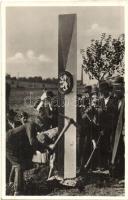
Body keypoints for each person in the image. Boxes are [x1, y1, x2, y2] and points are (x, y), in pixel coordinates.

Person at [6, 120, 50, 195]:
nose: (41, 129)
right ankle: (18, 192)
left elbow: (34, 142)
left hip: (12, 144)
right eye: (41, 127)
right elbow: (32, 142)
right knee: (19, 166)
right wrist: (45, 147)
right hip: (9, 143)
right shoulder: (30, 125)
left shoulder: (32, 128)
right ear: (38, 123)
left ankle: (11, 184)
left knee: (16, 164)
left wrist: (46, 148)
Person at [98, 81, 118, 170]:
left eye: (103, 90)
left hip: (111, 128)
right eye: (101, 90)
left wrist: (107, 127)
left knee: (110, 146)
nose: (102, 92)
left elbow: (114, 115)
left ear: (107, 90)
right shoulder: (101, 101)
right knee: (103, 146)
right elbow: (99, 115)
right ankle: (104, 165)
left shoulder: (114, 100)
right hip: (102, 128)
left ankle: (111, 165)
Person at [110, 76, 125, 178]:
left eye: (117, 89)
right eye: (114, 89)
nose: (115, 91)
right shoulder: (115, 100)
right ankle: (118, 172)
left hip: (123, 131)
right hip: (116, 131)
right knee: (118, 151)